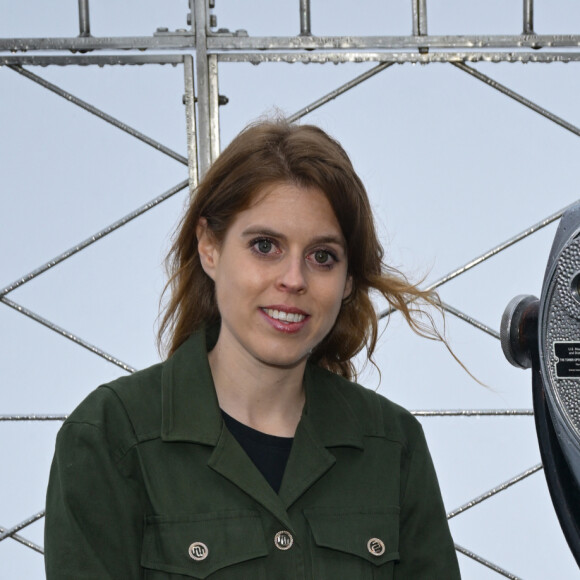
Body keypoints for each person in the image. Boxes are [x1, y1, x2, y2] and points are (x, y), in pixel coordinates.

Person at [45, 120, 461, 579]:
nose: (294, 280)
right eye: (265, 246)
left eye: (323, 256)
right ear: (209, 246)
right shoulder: (111, 437)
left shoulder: (393, 445)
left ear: (347, 282)